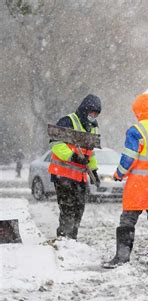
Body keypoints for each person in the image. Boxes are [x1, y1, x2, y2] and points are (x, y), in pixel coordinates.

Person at [103, 93, 148, 269]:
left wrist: (119, 174)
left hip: (140, 186)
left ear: (138, 111)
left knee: (127, 221)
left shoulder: (137, 131)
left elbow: (129, 158)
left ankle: (122, 257)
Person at [48, 94, 101, 240]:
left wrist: (94, 171)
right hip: (63, 174)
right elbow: (55, 144)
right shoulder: (68, 121)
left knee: (79, 209)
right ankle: (64, 239)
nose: (93, 116)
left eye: (96, 113)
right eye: (92, 112)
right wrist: (73, 157)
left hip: (80, 177)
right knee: (67, 208)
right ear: (85, 110)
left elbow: (90, 153)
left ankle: (72, 238)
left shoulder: (93, 128)